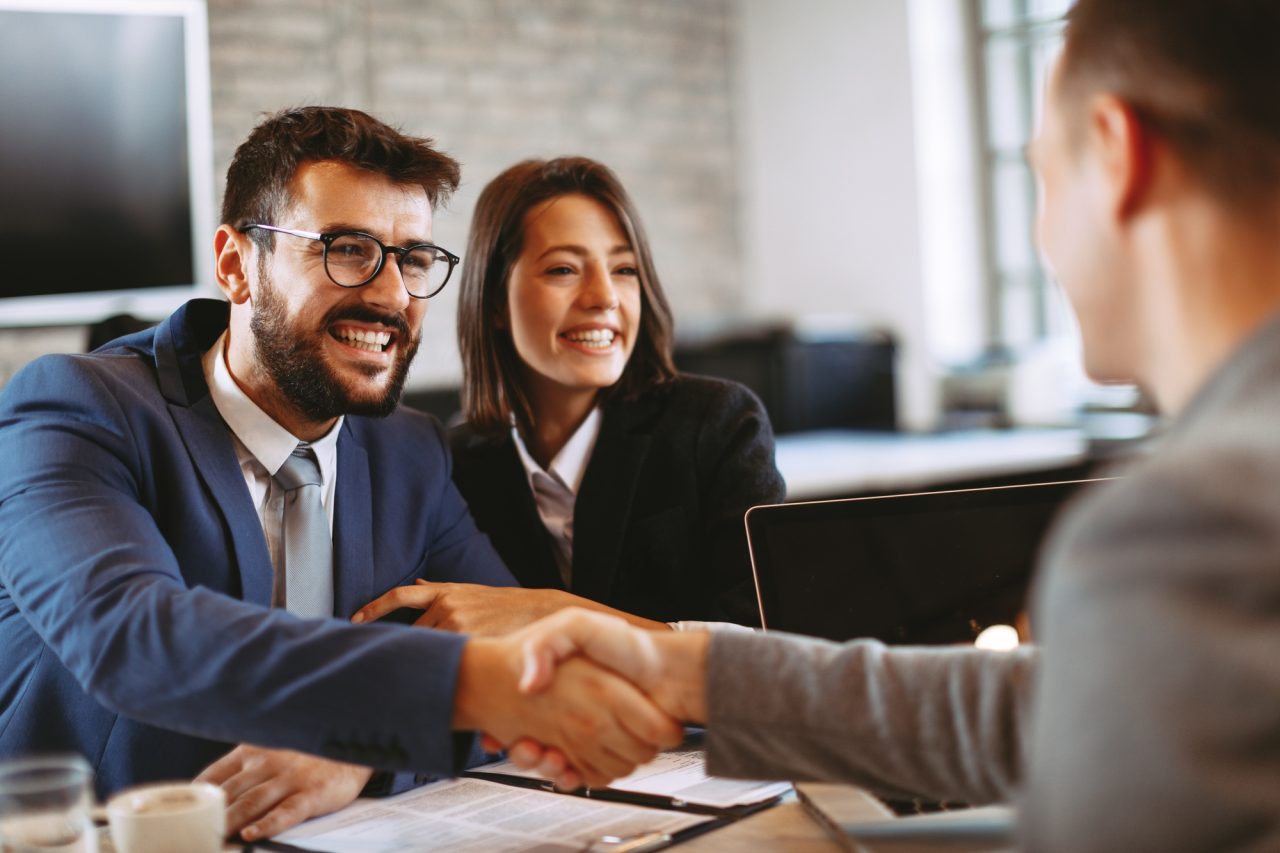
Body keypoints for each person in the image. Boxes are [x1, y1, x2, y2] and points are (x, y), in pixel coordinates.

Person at [498, 0, 1280, 848]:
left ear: (1118, 154)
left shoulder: (1195, 529)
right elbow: (1051, 709)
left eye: (1043, 179)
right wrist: (688, 671)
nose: (1044, 233)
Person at [0, 107, 681, 842]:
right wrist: (419, 701)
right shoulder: (74, 409)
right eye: (348, 250)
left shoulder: (409, 451)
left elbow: (523, 675)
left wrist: (363, 753)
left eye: (413, 259)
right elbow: (133, 639)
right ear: (235, 264)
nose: (390, 296)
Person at [353, 157, 784, 634]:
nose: (604, 296)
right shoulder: (454, 463)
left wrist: (555, 614)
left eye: (624, 269)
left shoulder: (717, 425)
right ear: (495, 300)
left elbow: (767, 649)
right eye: (563, 269)